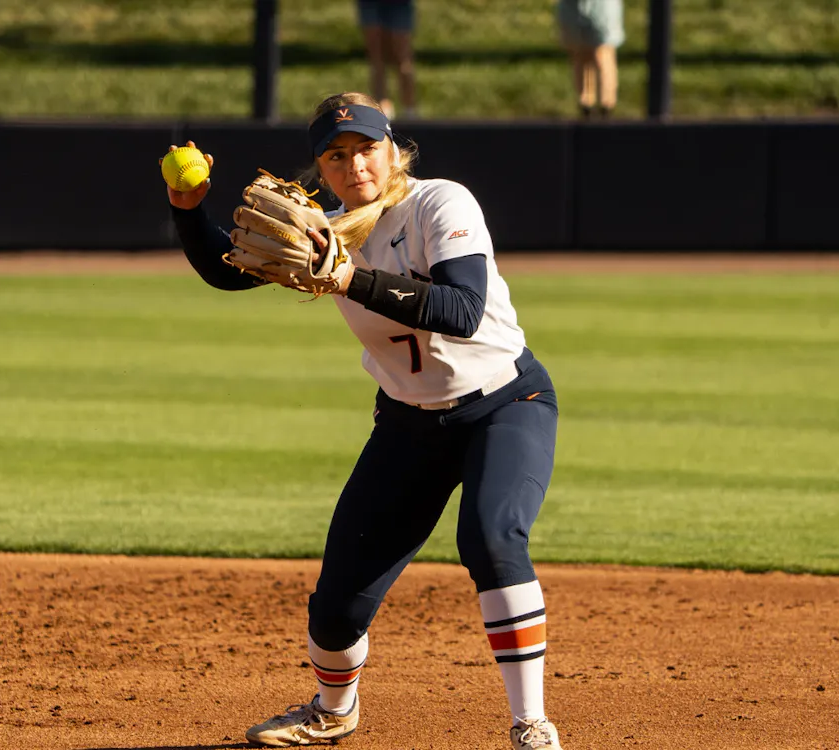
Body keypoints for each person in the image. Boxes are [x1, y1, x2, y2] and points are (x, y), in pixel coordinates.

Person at [163, 91, 563, 750]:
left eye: (366, 149)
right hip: (408, 425)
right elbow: (228, 269)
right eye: (337, 155)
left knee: (492, 540)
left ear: (391, 148)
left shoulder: (441, 203)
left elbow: (461, 310)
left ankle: (530, 724)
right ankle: (331, 711)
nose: (356, 167)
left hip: (504, 404)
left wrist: (347, 279)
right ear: (321, 168)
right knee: (337, 606)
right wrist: (189, 211)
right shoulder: (326, 226)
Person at [556, 0, 624, 118]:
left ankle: (606, 108)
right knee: (580, 53)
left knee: (601, 52)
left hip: (601, 6)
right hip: (573, 6)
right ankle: (586, 108)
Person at [357, 0, 418, 120]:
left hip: (399, 3)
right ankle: (382, 111)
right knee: (377, 60)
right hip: (370, 3)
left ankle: (410, 111)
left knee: (403, 60)